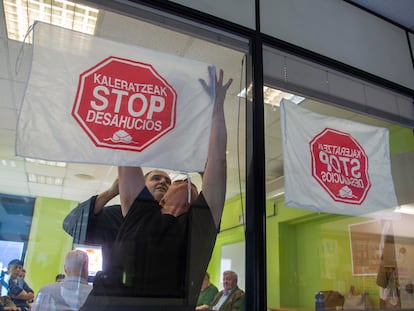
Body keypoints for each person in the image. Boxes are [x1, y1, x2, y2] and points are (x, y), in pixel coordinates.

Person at [81, 67, 232, 308]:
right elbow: (127, 154)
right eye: (179, 181)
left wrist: (217, 109)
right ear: (161, 199)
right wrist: (134, 102)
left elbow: (217, 162)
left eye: (191, 183)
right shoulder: (140, 213)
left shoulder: (199, 225)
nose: (186, 181)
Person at [62, 170, 171, 270]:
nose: (162, 182)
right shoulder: (114, 215)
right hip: (115, 286)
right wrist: (111, 192)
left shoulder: (172, 221)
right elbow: (72, 224)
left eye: (168, 181)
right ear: (141, 186)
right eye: (156, 178)